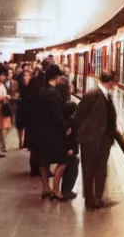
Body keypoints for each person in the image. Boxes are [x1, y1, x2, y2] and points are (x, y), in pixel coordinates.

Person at [74, 70, 123, 210]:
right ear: (110, 82)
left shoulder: (107, 96)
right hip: (90, 141)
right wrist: (84, 135)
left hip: (104, 141)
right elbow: (78, 116)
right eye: (114, 81)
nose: (116, 85)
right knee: (89, 170)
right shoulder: (92, 95)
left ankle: (98, 197)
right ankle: (90, 200)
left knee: (101, 169)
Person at [36, 65, 71, 201]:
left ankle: (46, 188)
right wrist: (66, 128)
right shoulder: (54, 93)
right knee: (63, 161)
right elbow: (57, 115)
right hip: (54, 133)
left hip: (42, 131)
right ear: (56, 77)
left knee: (44, 162)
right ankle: (56, 190)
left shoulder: (42, 91)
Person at [60, 100, 79, 200]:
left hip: (68, 149)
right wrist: (71, 149)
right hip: (72, 150)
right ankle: (67, 191)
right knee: (72, 171)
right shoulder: (72, 122)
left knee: (68, 171)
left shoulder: (65, 121)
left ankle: (65, 190)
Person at [16, 70, 32, 148]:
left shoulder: (32, 86)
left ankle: (27, 141)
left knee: (28, 125)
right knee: (20, 126)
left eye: (27, 75)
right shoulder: (20, 86)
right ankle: (20, 141)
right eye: (24, 75)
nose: (25, 77)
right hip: (21, 107)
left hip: (29, 108)